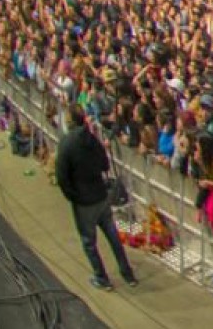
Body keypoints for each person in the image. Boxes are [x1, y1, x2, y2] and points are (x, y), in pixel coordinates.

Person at [54, 104, 137, 291]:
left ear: (69, 121)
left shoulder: (66, 144)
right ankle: (128, 274)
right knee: (113, 236)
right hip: (100, 196)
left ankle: (102, 278)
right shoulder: (92, 139)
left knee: (89, 242)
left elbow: (61, 177)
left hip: (83, 201)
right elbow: (105, 165)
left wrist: (73, 196)